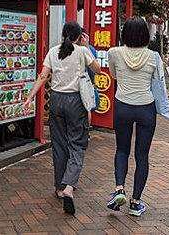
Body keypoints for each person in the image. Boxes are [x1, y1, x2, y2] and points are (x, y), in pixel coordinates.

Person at [24, 21, 101, 215]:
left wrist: (30, 97)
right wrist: (86, 47)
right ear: (79, 36)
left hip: (56, 100)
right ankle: (69, 186)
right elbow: (98, 69)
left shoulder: (53, 51)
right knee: (77, 143)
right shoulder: (82, 51)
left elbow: (42, 77)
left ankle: (59, 187)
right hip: (75, 101)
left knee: (58, 144)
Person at [106, 17, 160, 217]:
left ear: (124, 33)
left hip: (123, 106)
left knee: (121, 150)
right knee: (142, 155)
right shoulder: (154, 55)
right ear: (146, 34)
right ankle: (135, 203)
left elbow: (114, 75)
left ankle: (119, 189)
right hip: (146, 107)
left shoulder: (114, 52)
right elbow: (157, 80)